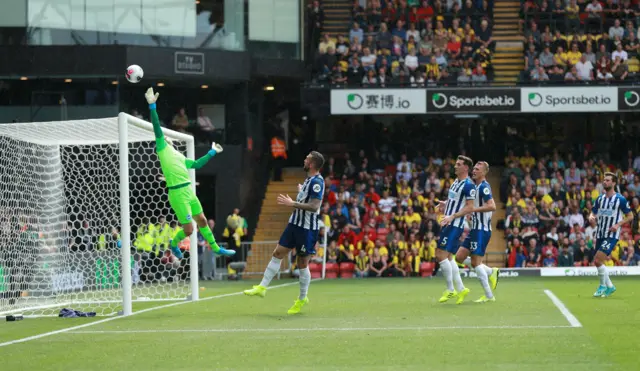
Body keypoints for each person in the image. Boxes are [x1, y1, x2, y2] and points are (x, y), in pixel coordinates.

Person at [144, 88, 235, 259]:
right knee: (189, 229)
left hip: (188, 190)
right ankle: (173, 243)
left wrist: (212, 152)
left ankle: (215, 248)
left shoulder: (178, 154)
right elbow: (157, 128)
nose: (164, 139)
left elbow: (196, 164)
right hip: (177, 192)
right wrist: (152, 106)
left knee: (202, 220)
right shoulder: (162, 149)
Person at [244, 151, 325, 315]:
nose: (304, 159)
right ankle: (262, 287)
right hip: (294, 224)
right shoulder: (309, 180)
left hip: (307, 228)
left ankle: (302, 298)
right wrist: (301, 192)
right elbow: (307, 200)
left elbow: (315, 206)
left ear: (312, 164)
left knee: (302, 263)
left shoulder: (317, 182)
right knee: (278, 252)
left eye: (307, 158)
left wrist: (292, 202)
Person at [455, 161, 499, 303]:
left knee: (476, 262)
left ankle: (489, 296)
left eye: (477, 169)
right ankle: (491, 272)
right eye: (474, 168)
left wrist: (474, 210)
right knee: (459, 257)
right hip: (474, 229)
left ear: (484, 172)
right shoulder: (475, 186)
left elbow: (492, 206)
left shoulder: (484, 187)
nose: (474, 170)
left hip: (481, 230)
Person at [437, 155, 476, 304]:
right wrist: (445, 204)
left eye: (458, 164)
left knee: (440, 255)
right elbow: (455, 201)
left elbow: (470, 207)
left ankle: (450, 290)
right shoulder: (455, 182)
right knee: (448, 257)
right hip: (449, 222)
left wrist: (452, 216)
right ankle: (461, 289)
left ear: (465, 168)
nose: (455, 166)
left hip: (455, 224)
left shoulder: (468, 185)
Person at [589, 172, 633, 297]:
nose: (605, 182)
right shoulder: (600, 198)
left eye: (608, 180)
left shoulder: (620, 199)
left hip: (611, 235)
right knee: (598, 262)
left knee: (597, 260)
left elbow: (630, 216)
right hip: (600, 233)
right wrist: (591, 217)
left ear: (613, 183)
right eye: (604, 180)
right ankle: (610, 286)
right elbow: (593, 212)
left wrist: (617, 225)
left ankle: (602, 286)